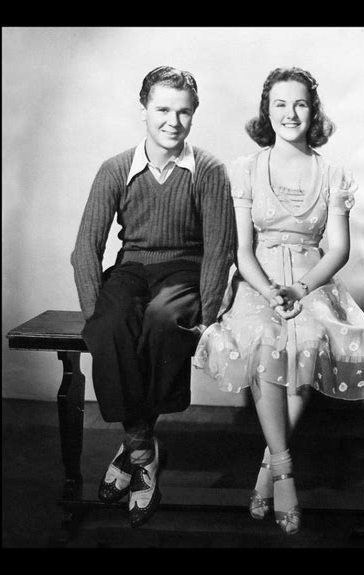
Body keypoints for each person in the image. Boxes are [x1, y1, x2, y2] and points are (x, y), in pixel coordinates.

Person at [193, 66, 364, 535]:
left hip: (312, 283)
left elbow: (338, 249)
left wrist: (300, 289)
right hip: (258, 283)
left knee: (310, 340)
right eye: (280, 103)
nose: (290, 113)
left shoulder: (333, 172)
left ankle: (267, 472)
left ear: (313, 110)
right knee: (264, 340)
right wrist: (268, 291)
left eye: (300, 103)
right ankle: (284, 472)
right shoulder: (246, 169)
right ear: (267, 111)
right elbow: (242, 250)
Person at [71, 66, 236, 528]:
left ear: (194, 116)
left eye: (184, 113)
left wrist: (204, 312)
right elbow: (85, 248)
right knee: (110, 323)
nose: (173, 121)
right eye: (163, 109)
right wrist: (93, 313)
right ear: (144, 109)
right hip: (131, 269)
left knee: (165, 321)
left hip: (184, 270)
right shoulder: (116, 169)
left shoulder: (208, 170)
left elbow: (220, 248)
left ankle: (136, 449)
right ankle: (144, 449)